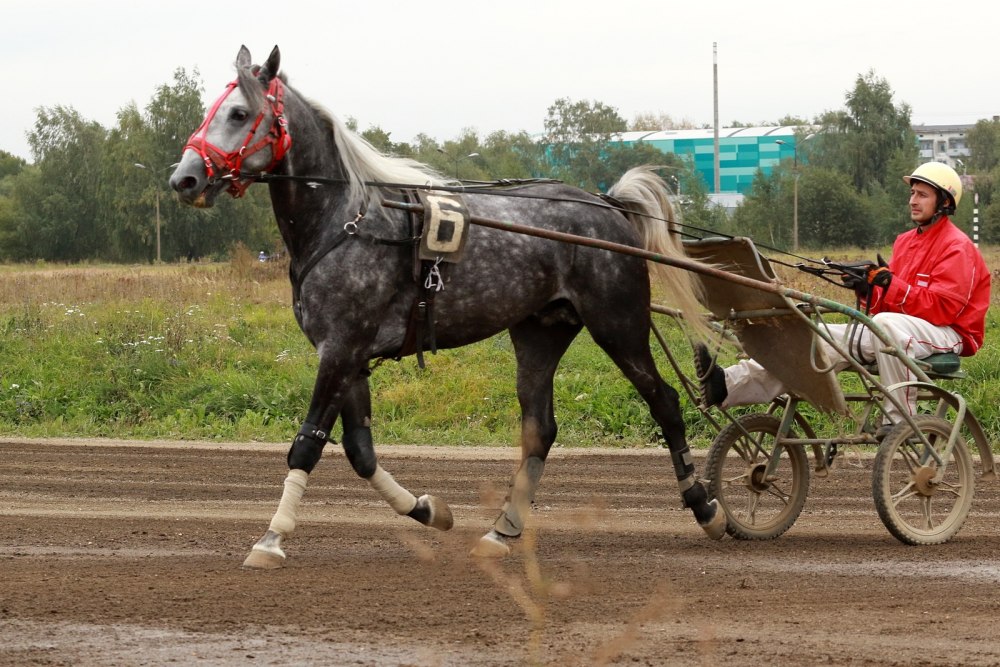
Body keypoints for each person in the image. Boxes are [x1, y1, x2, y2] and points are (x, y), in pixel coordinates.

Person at [696, 162, 991, 439]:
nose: (913, 200)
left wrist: (892, 285)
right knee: (815, 339)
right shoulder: (905, 241)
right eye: (912, 193)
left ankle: (899, 419)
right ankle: (726, 385)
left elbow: (943, 309)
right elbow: (887, 308)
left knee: (884, 325)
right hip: (899, 329)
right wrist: (867, 289)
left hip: (949, 334)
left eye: (923, 195)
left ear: (944, 203)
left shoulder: (957, 247)